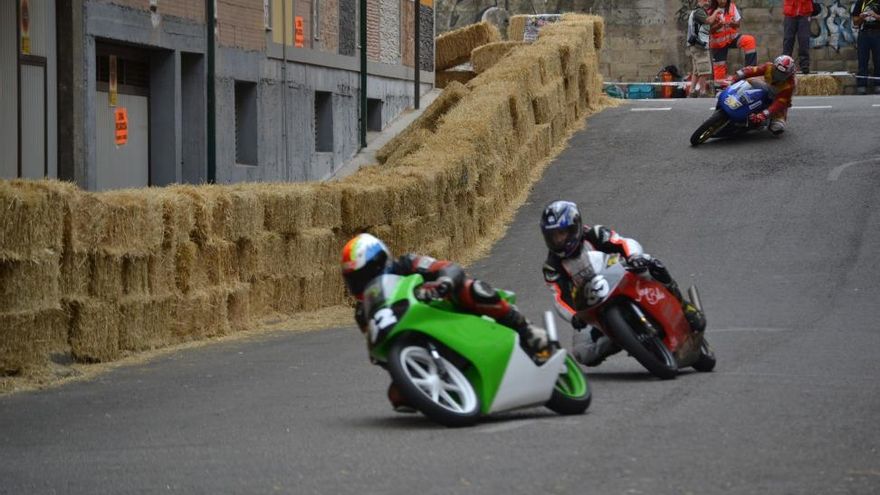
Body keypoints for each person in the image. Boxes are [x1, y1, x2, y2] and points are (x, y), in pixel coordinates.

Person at [340, 233, 551, 411]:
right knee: (398, 396)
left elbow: (449, 267)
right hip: (413, 337)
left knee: (470, 288)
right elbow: (379, 347)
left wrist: (444, 282)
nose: (363, 283)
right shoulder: (364, 312)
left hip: (445, 308)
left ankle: (525, 328)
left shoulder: (406, 264)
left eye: (365, 275)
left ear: (380, 262)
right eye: (356, 280)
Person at [539, 201, 706, 367]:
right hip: (592, 306)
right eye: (553, 236)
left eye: (562, 233)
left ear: (575, 227)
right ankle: (623, 338)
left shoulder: (595, 233)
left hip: (623, 277)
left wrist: (633, 256)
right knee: (583, 353)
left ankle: (684, 306)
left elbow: (623, 242)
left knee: (650, 264)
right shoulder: (551, 266)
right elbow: (559, 297)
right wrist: (574, 315)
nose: (558, 240)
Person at [730, 54, 798, 135]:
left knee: (777, 127)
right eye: (777, 71)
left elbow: (780, 103)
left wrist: (764, 114)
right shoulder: (768, 66)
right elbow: (751, 70)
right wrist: (734, 78)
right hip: (766, 87)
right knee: (751, 80)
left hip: (778, 97)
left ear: (789, 74)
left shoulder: (790, 85)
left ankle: (770, 119)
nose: (778, 75)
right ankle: (737, 97)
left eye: (783, 74)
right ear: (774, 66)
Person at [707, 0, 758, 82]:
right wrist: (718, 25)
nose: (723, 1)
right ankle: (719, 87)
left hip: (732, 38)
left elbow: (738, 24)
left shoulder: (732, 6)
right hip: (718, 43)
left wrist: (730, 23)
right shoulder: (710, 11)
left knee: (749, 40)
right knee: (719, 73)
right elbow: (708, 30)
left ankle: (750, 71)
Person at [685, 0, 714, 97]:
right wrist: (717, 12)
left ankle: (692, 91)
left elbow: (706, 27)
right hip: (699, 45)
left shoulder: (696, 11)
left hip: (695, 45)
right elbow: (708, 21)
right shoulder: (699, 11)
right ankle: (702, 92)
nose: (709, 2)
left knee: (697, 71)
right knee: (704, 70)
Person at [853, 0, 880, 94]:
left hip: (878, 33)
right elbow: (855, 22)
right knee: (862, 61)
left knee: (878, 61)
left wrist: (875, 16)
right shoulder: (860, 2)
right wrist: (861, 18)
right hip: (863, 34)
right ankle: (861, 86)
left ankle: (878, 85)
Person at [783, 0, 814, 74]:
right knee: (788, 40)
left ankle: (804, 65)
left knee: (804, 40)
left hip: (805, 12)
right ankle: (784, 64)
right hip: (790, 11)